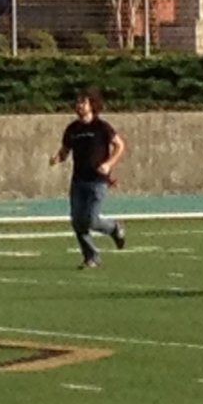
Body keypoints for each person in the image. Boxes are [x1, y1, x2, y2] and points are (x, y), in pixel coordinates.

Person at [52, 88, 128, 269]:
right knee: (77, 221)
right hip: (78, 181)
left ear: (92, 105)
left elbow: (119, 145)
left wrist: (109, 164)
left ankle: (114, 228)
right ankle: (91, 257)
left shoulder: (102, 127)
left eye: (83, 102)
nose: (79, 106)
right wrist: (57, 158)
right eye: (77, 103)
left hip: (98, 181)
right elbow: (65, 152)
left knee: (91, 220)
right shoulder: (72, 129)